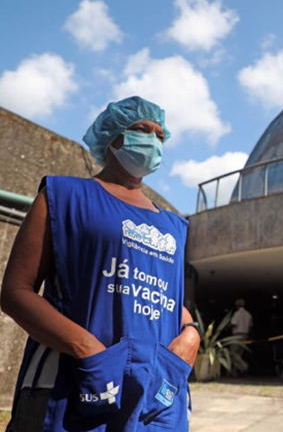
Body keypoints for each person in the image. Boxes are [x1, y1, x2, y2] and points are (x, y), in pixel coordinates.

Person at [0, 97, 201, 431]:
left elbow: (164, 297)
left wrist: (191, 334)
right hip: (74, 383)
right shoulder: (64, 196)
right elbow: (15, 292)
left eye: (160, 135)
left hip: (155, 392)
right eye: (142, 129)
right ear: (113, 136)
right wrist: (87, 348)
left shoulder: (174, 227)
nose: (153, 140)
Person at [230, 299, 253, 374]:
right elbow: (251, 326)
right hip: (245, 335)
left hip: (237, 335)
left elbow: (234, 323)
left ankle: (244, 366)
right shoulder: (248, 314)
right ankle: (235, 372)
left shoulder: (237, 313)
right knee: (239, 354)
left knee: (232, 353)